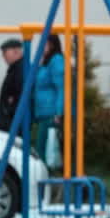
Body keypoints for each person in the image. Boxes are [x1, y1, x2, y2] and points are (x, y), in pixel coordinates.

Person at [32, 34, 65, 168]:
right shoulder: (45, 62)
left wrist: (58, 112)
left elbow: (61, 87)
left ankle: (47, 181)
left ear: (51, 44)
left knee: (44, 151)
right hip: (43, 112)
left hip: (50, 113)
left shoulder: (56, 60)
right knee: (42, 149)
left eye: (43, 44)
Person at [0, 38, 24, 131]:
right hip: (10, 117)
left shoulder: (20, 70)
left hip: (12, 119)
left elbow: (18, 93)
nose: (3, 56)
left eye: (5, 52)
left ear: (16, 51)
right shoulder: (15, 69)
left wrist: (9, 109)